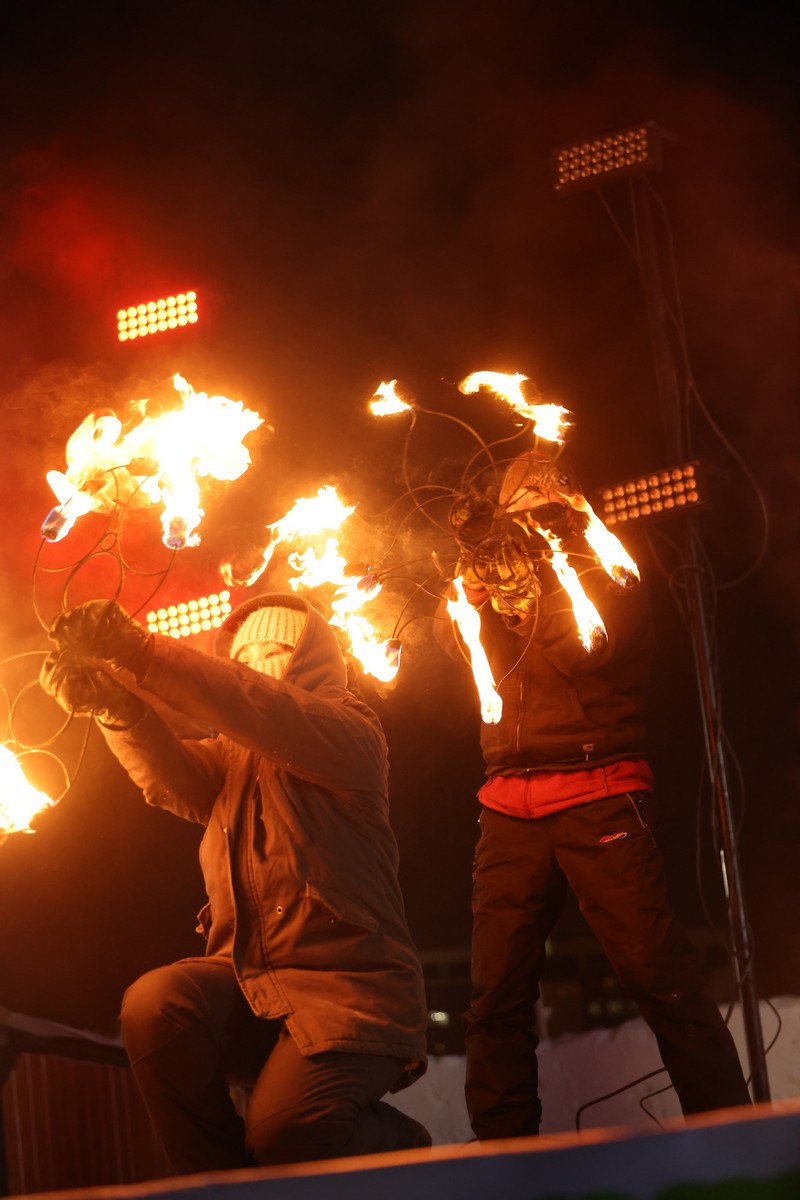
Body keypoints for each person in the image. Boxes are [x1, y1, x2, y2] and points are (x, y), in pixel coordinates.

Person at [41, 592, 430, 1172]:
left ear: (310, 661)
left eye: (271, 650)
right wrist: (117, 708)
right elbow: (169, 777)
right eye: (241, 655)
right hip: (252, 984)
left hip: (347, 991)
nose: (251, 665)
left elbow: (257, 706)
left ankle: (404, 1147)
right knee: (155, 1004)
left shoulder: (349, 732)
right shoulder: (234, 761)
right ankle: (222, 1188)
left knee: (288, 1134)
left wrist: (140, 651)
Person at [446, 449, 751, 1140]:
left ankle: (736, 1139)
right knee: (495, 993)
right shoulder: (497, 565)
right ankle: (505, 1160)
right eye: (515, 505)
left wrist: (531, 587)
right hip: (508, 804)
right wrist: (471, 591)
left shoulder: (606, 564)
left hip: (599, 790)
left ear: (565, 500)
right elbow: (454, 643)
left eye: (539, 502)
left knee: (657, 975)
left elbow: (583, 650)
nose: (526, 515)